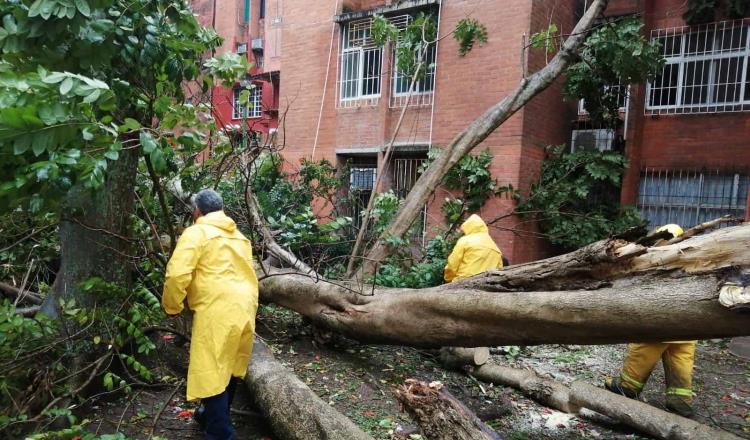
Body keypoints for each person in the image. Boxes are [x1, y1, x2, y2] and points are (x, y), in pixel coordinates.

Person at [162, 189, 259, 440]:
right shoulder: (239, 237)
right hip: (245, 307)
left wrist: (172, 306)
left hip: (217, 308)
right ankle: (209, 415)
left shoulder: (197, 232)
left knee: (210, 368)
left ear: (197, 211)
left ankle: (222, 433)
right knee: (229, 365)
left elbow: (176, 274)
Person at [605, 224, 697, 417]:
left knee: (643, 349)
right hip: (690, 323)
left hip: (663, 321)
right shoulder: (693, 257)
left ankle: (627, 386)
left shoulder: (662, 258)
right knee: (680, 359)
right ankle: (680, 400)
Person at [444, 214, 504, 283]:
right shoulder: (495, 247)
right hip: (486, 287)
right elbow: (499, 271)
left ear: (468, 227)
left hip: (463, 283)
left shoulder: (465, 241)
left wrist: (448, 279)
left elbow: (452, 264)